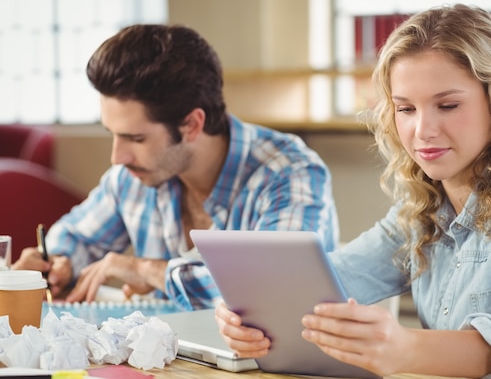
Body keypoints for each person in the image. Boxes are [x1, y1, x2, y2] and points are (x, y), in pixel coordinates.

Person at [215, 4, 491, 378]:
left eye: (447, 105)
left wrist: (409, 348)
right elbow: (324, 286)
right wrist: (247, 309)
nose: (422, 130)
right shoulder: (420, 213)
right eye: (405, 108)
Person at [13, 24, 339, 311]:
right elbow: (75, 237)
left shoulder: (289, 173)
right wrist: (57, 263)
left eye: (136, 138)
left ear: (192, 125)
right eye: (113, 134)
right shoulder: (133, 177)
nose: (117, 156)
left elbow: (271, 290)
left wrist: (146, 271)